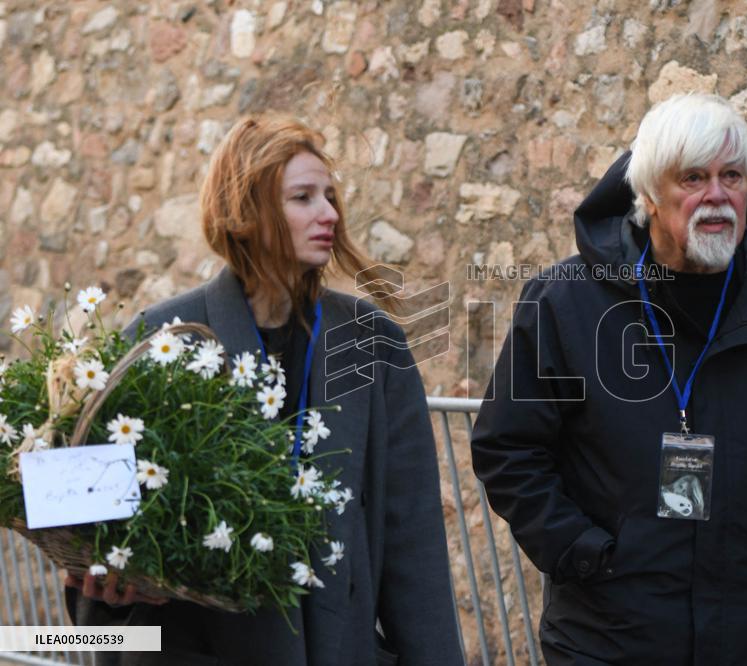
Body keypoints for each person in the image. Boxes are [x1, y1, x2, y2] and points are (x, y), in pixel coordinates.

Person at [470, 93, 747, 665]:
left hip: (745, 629)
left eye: (732, 176)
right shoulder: (565, 302)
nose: (716, 196)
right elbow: (508, 447)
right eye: (693, 177)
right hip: (607, 633)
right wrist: (582, 552)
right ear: (651, 197)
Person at [65, 116, 465, 666]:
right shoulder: (161, 338)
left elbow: (413, 540)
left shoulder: (373, 343)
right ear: (246, 212)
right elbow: (101, 538)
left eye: (329, 196)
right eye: (302, 197)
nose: (329, 213)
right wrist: (104, 601)